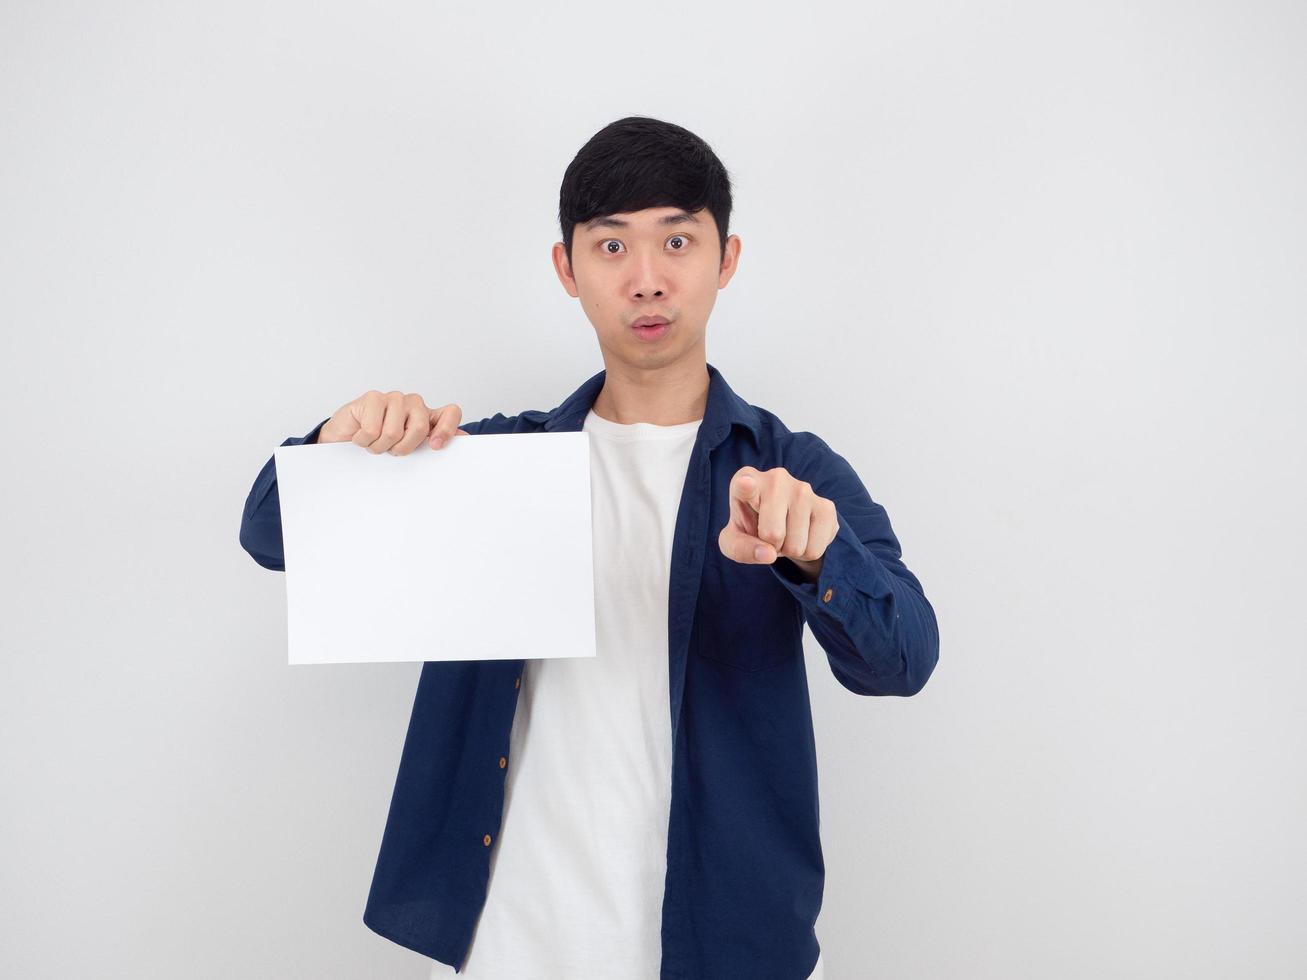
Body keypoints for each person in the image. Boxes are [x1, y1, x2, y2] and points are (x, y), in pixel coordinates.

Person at [239, 115, 939, 979]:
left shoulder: (791, 468)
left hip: (725, 941)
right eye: (611, 248)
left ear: (726, 260)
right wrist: (335, 446)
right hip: (506, 945)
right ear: (566, 268)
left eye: (676, 240)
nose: (646, 280)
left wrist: (815, 553)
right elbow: (272, 535)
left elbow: (904, 657)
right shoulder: (487, 466)